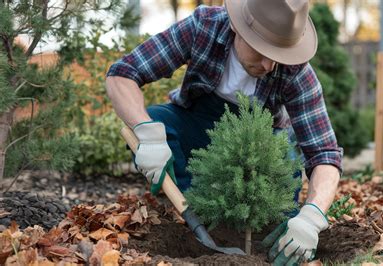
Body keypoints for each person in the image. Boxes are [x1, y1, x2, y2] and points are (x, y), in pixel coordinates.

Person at [106, 0, 342, 264]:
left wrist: (311, 216)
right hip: (197, 126)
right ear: (237, 27)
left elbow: (324, 153)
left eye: (278, 55)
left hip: (261, 147)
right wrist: (146, 133)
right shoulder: (204, 27)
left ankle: (271, 238)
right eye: (261, 50)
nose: (268, 65)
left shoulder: (297, 71)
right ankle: (197, 213)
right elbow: (123, 73)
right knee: (158, 119)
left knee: (285, 163)